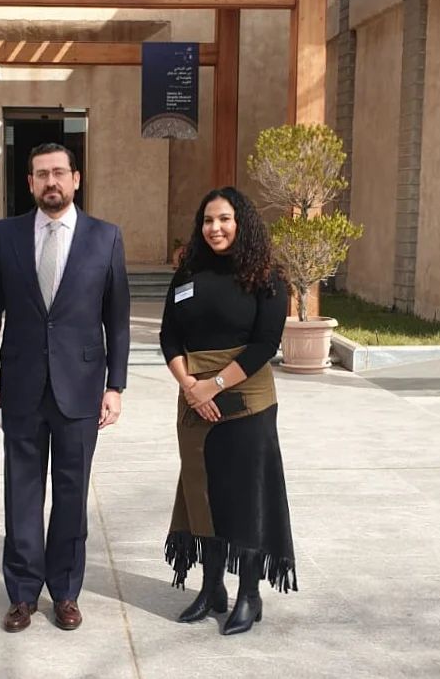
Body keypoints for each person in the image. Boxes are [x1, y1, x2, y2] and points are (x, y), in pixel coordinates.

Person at [0, 142, 130, 633]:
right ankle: (22, 594)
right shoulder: (4, 235)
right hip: (21, 385)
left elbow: (117, 319)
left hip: (81, 388)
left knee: (71, 493)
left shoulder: (105, 237)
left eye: (59, 172)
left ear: (76, 179)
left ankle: (65, 591)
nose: (51, 182)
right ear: (30, 183)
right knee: (21, 493)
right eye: (41, 174)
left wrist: (116, 385)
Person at [160, 186, 297, 636]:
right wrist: (190, 386)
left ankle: (249, 594)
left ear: (242, 223)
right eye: (207, 220)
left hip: (246, 401)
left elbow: (265, 344)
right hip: (194, 400)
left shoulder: (266, 276)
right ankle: (212, 587)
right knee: (203, 493)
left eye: (224, 219)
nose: (214, 228)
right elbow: (168, 336)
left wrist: (213, 386)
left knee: (245, 497)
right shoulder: (188, 273)